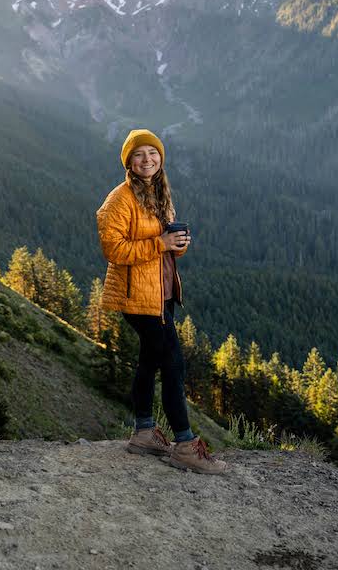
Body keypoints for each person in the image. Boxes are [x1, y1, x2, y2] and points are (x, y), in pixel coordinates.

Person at [96, 128, 227, 474]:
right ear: (129, 161)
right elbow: (114, 250)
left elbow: (165, 244)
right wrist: (161, 245)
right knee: (173, 364)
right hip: (136, 297)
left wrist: (177, 245)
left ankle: (143, 433)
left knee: (150, 360)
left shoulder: (158, 191)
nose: (147, 160)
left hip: (161, 291)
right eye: (139, 154)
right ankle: (184, 446)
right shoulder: (119, 200)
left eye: (152, 153)